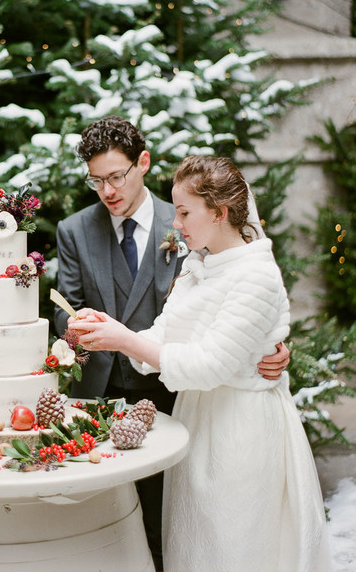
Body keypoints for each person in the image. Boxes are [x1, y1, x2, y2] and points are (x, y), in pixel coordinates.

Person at [68, 155, 332, 572]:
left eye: (186, 212)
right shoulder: (199, 265)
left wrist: (126, 341)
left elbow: (210, 365)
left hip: (240, 432)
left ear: (220, 212)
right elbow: (164, 333)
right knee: (196, 543)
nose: (176, 223)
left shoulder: (255, 276)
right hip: (196, 422)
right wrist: (118, 333)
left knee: (234, 545)